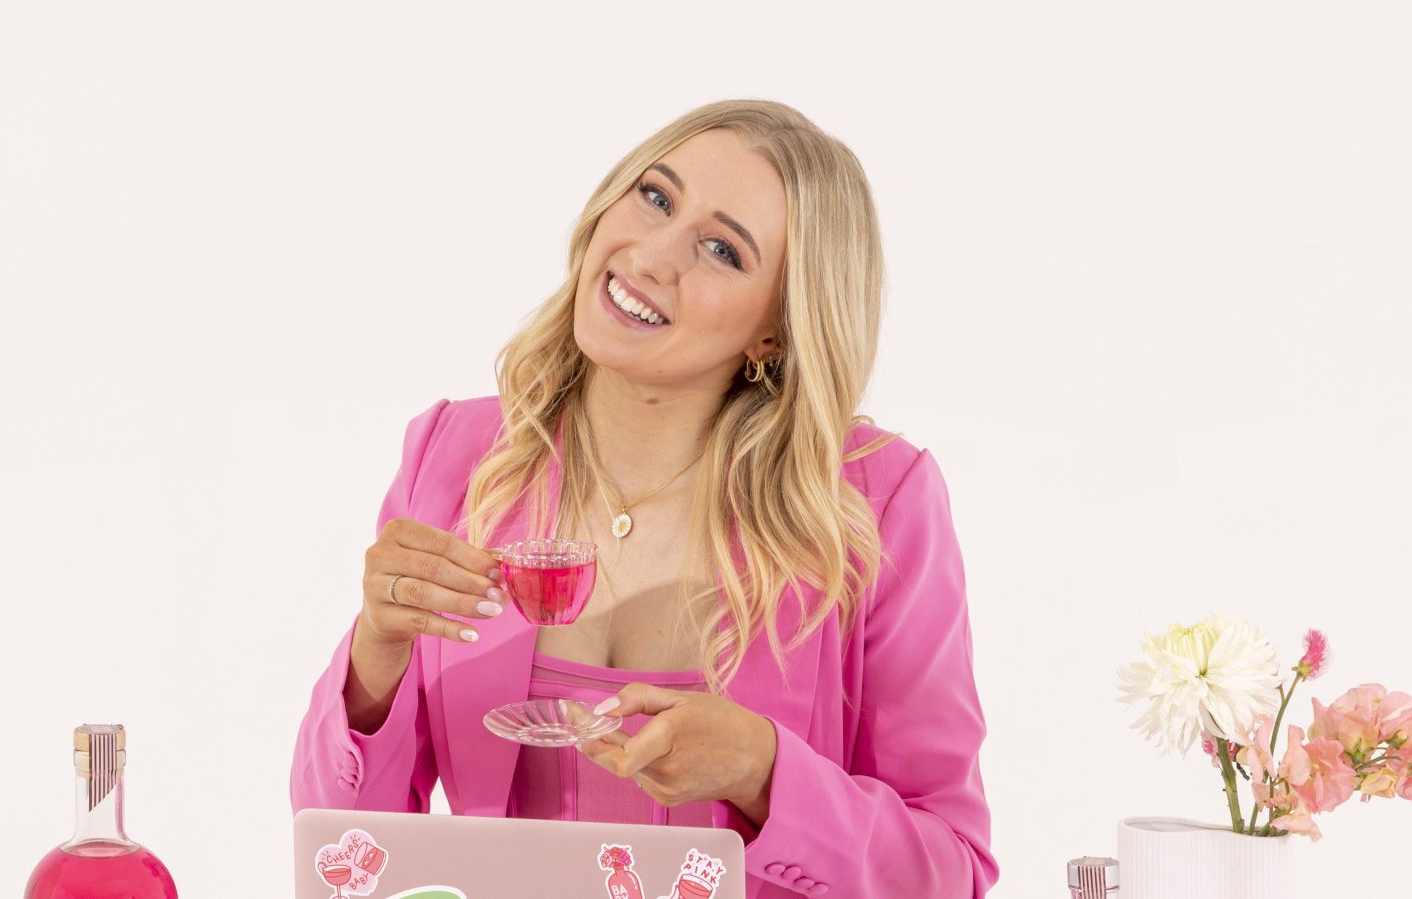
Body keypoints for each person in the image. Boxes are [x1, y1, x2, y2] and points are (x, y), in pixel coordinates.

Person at [291, 98, 998, 898]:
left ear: (775, 330)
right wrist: (374, 655)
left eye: (722, 250)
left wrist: (767, 774)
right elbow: (339, 858)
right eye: (655, 197)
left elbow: (951, 869)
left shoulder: (877, 500)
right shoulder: (452, 457)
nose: (653, 255)